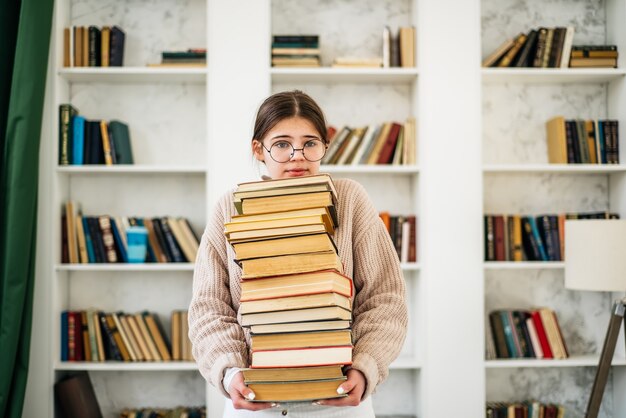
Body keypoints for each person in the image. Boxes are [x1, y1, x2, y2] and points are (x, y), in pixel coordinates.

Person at [188, 90, 408, 417]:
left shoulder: (350, 200)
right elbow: (209, 306)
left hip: (339, 399)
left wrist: (364, 367)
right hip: (254, 400)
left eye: (310, 143)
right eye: (281, 144)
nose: (297, 156)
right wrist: (230, 371)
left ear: (324, 147)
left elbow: (385, 297)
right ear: (258, 149)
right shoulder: (229, 208)